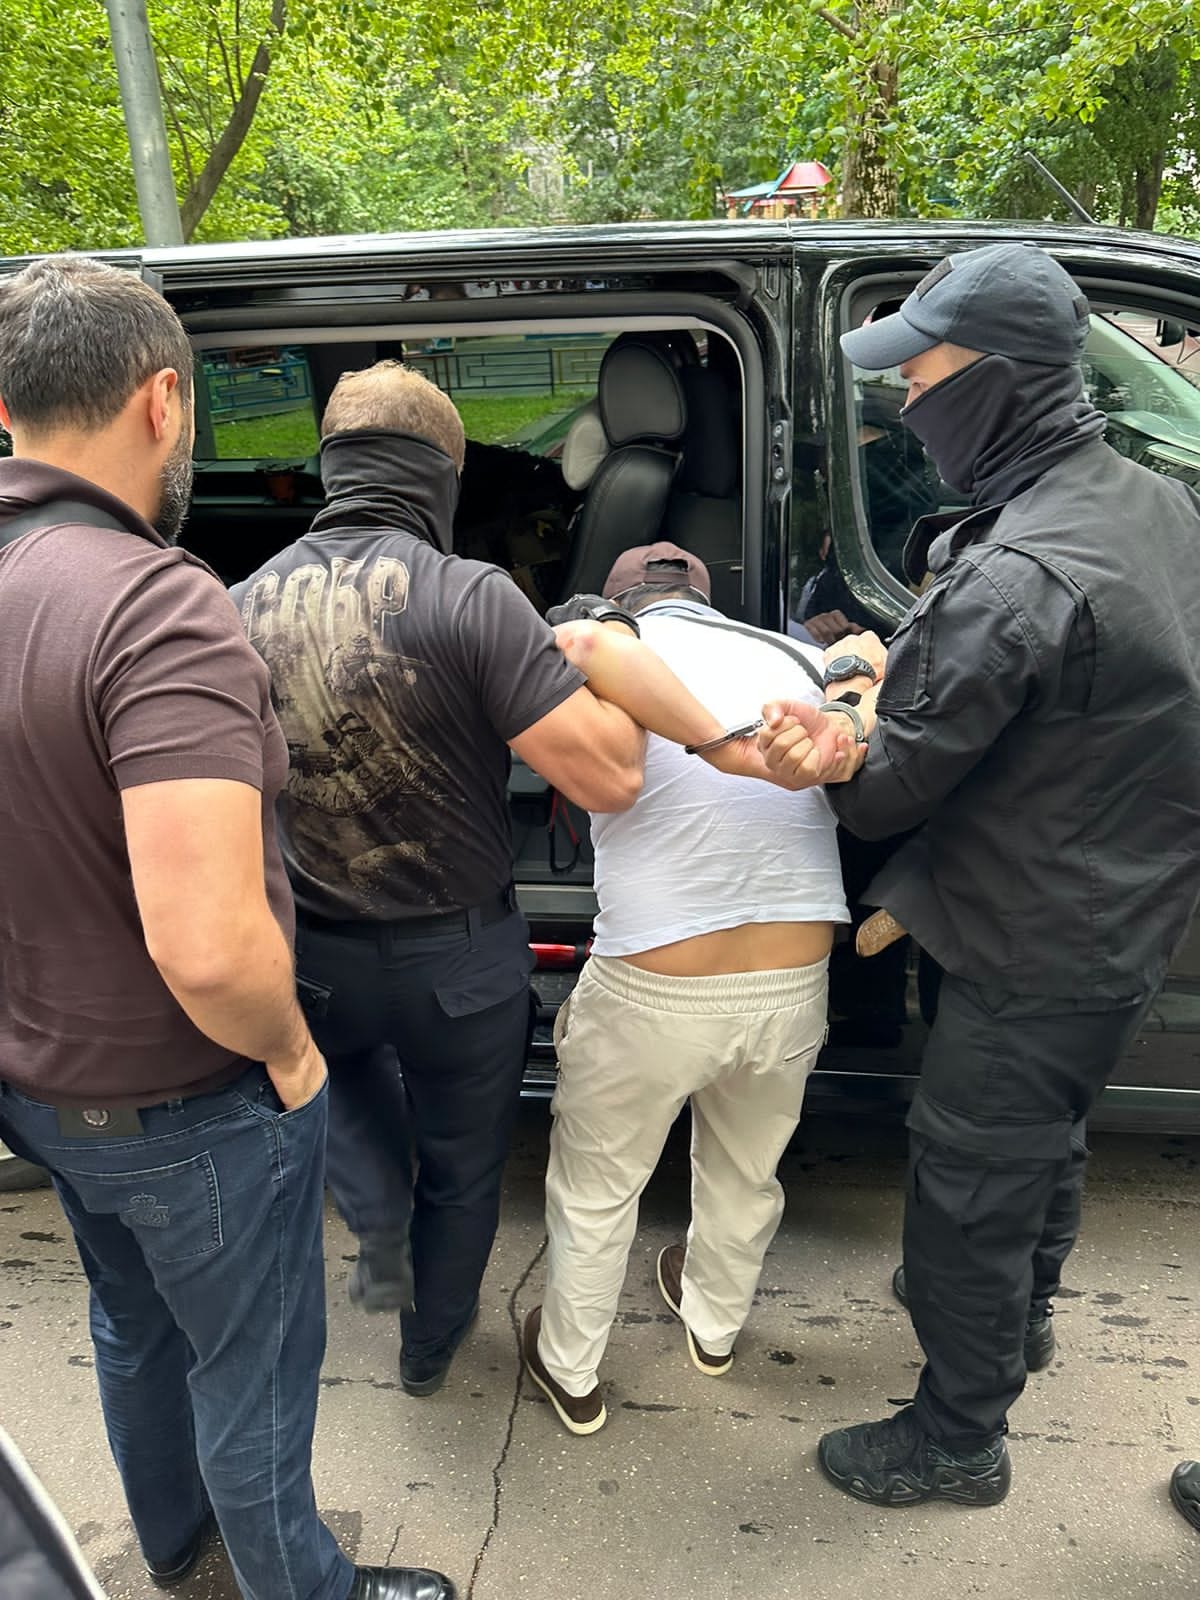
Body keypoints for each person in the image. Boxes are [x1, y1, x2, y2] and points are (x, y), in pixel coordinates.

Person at [0, 259, 451, 1600]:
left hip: (40, 1086)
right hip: (191, 1104)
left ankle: (173, 1546)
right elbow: (206, 942)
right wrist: (294, 1054)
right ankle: (303, 1587)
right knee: (252, 1372)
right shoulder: (154, 604)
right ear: (162, 403)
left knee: (133, 1325)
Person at [756, 241, 1200, 1509]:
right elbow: (1062, 690)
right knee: (1043, 1143)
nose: (905, 400)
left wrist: (839, 731)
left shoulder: (1014, 574)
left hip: (1025, 937)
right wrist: (903, 665)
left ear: (995, 382)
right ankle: (1021, 1315)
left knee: (966, 1183)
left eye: (922, 373)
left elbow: (884, 791)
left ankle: (957, 1436)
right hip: (1122, 909)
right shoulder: (1154, 504)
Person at [231, 364, 758, 1400]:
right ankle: (427, 1349)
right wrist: (612, 655)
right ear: (444, 475)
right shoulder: (471, 595)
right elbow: (609, 778)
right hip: (459, 962)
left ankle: (375, 1263)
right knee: (463, 1167)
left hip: (314, 955)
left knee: (354, 1134)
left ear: (331, 467)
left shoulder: (234, 603)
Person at [520, 542, 848, 1436]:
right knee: (747, 1172)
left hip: (652, 983)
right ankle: (713, 1329)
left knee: (597, 1187)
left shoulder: (601, 648)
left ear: (618, 599)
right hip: (794, 975)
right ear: (709, 598)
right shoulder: (803, 659)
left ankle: (572, 1370)